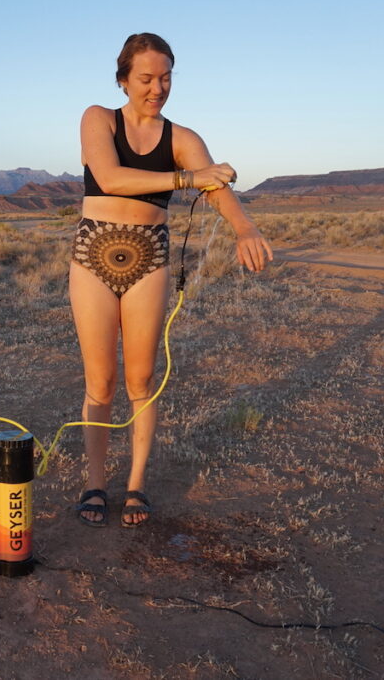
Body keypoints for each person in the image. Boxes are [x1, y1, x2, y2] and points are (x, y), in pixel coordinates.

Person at [71, 32, 273, 528]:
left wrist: (244, 226)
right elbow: (112, 177)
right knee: (100, 382)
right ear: (123, 79)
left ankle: (136, 484)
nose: (156, 88)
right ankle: (95, 482)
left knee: (141, 380)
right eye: (146, 78)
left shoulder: (182, 139)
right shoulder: (98, 118)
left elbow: (218, 190)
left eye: (165, 78)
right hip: (93, 252)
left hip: (150, 257)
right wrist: (188, 179)